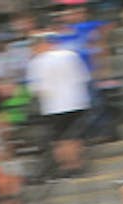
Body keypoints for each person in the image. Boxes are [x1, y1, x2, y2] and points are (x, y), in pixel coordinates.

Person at [26, 32, 92, 177]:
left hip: (53, 106)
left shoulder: (36, 62)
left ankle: (66, 167)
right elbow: (83, 77)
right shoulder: (70, 55)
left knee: (59, 140)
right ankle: (77, 165)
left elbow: (35, 89)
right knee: (74, 137)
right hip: (76, 102)